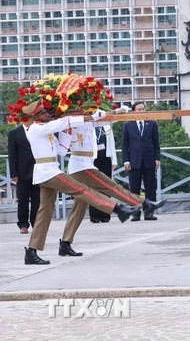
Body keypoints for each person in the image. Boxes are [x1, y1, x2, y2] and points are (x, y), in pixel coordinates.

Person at [22, 101, 139, 265]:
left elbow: (61, 151)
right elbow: (61, 122)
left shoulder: (46, 129)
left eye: (47, 112)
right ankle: (117, 209)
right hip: (47, 172)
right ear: (35, 115)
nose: (47, 115)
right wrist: (86, 117)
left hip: (50, 170)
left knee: (45, 212)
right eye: (44, 113)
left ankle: (31, 251)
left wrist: (68, 131)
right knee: (81, 190)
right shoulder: (36, 129)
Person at [61, 120, 165, 256]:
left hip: (87, 164)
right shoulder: (74, 121)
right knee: (111, 187)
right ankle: (143, 204)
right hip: (81, 167)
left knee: (79, 209)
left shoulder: (88, 121)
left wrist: (118, 112)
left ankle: (65, 243)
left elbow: (105, 120)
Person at [122, 101, 161, 221]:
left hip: (149, 160)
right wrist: (126, 161)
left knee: (150, 188)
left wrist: (157, 158)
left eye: (143, 109)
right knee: (134, 189)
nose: (141, 111)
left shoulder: (152, 123)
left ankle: (149, 213)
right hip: (134, 161)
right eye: (139, 109)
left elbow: (156, 143)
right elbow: (124, 145)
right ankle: (135, 213)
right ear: (134, 111)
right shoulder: (128, 125)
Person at [8, 119, 39, 234]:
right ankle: (23, 224)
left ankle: (36, 223)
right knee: (23, 199)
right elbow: (12, 154)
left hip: (37, 170)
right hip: (22, 171)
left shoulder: (38, 130)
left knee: (37, 199)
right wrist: (14, 174)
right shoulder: (15, 133)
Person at [89, 125, 118, 223]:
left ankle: (105, 214)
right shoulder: (89, 126)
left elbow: (112, 143)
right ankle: (94, 215)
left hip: (106, 157)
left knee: (106, 187)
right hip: (93, 159)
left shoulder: (107, 127)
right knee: (94, 187)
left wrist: (114, 160)